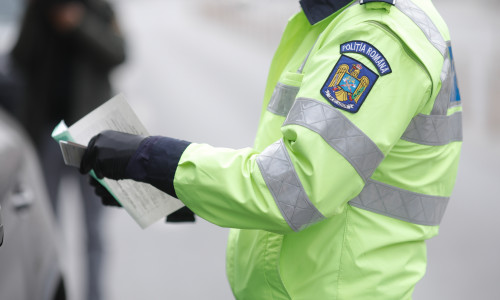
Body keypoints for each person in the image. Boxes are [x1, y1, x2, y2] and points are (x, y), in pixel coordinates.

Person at [79, 0, 462, 298]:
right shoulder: (333, 21)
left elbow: (292, 188)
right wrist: (168, 190)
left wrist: (151, 159)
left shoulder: (378, 36)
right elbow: (293, 174)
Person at [10, 1, 126, 299]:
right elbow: (19, 59)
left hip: (91, 135)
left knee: (94, 231)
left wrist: (78, 24)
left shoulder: (99, 7)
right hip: (47, 133)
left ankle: (95, 295)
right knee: (46, 230)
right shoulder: (39, 9)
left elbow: (119, 52)